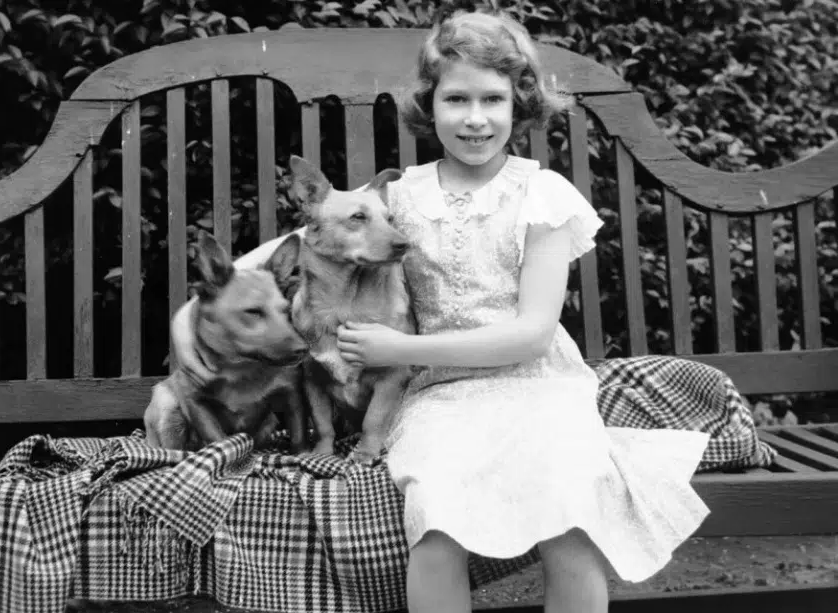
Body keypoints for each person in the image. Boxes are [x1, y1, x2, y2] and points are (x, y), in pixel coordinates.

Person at [169, 9, 710, 613]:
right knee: (435, 517)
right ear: (430, 105)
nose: (475, 118)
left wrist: (400, 351)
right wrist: (185, 324)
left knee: (573, 514)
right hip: (438, 397)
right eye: (456, 99)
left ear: (520, 103)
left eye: (493, 99)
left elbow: (532, 335)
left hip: (538, 386)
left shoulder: (544, 197)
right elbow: (275, 256)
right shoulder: (397, 198)